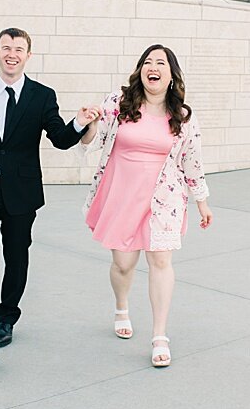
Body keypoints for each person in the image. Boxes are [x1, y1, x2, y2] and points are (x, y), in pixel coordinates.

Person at [0, 27, 96, 365]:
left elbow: (59, 138)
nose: (11, 53)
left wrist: (79, 122)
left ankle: (6, 315)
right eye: (6, 47)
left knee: (16, 259)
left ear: (28, 55)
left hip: (21, 192)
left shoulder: (41, 96)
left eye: (18, 48)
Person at [80, 44, 213, 368]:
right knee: (124, 265)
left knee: (161, 262)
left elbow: (191, 161)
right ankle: (122, 306)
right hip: (122, 194)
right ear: (141, 70)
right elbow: (91, 141)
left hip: (164, 198)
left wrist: (202, 202)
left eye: (161, 63)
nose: (153, 67)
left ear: (171, 75)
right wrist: (88, 123)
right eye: (148, 62)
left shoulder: (182, 116)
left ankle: (159, 336)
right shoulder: (119, 102)